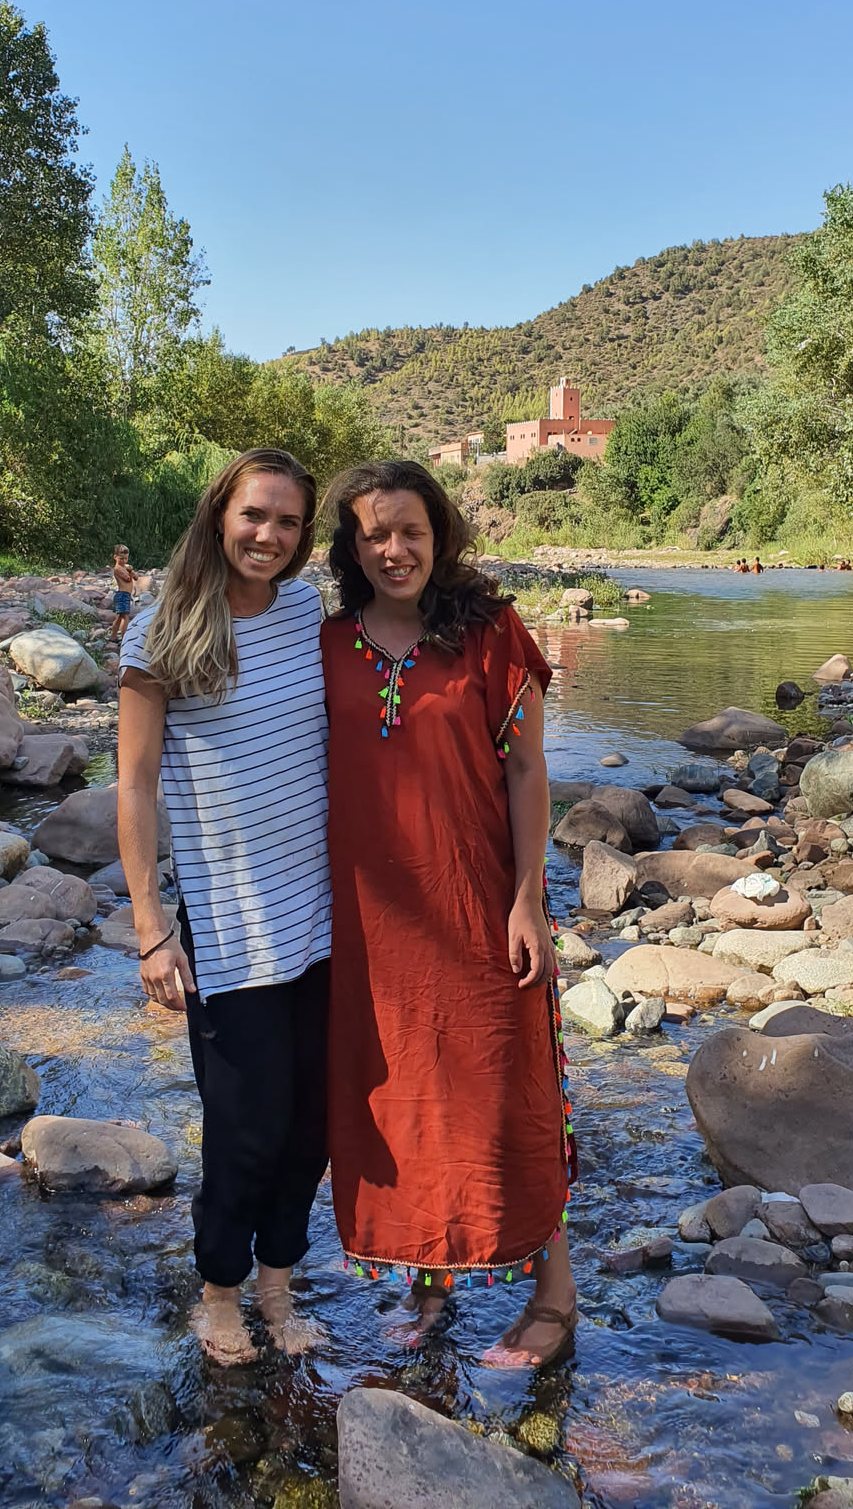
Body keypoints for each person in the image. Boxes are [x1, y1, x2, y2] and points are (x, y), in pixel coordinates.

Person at [321, 459, 578, 1369]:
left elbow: (528, 771)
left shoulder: (491, 633)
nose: (395, 550)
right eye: (375, 534)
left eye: (411, 532)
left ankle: (555, 1296)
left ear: (440, 536)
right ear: (352, 547)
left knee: (508, 1086)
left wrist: (526, 900)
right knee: (403, 1098)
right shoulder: (328, 644)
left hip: (478, 905)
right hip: (372, 923)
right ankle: (429, 1283)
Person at [116, 449, 331, 1366]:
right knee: (246, 1128)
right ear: (219, 515)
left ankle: (278, 1286)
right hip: (231, 920)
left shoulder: (306, 611)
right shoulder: (162, 629)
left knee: (312, 1126)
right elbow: (134, 785)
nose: (268, 536)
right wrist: (150, 927)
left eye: (287, 522)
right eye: (254, 515)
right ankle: (218, 1295)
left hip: (327, 919)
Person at [110, 544, 135, 643]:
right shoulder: (117, 569)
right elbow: (128, 578)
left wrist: (132, 572)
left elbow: (136, 578)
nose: (124, 561)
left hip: (126, 595)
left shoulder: (125, 567)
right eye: (121, 559)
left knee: (119, 616)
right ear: (115, 557)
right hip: (122, 594)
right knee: (125, 617)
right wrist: (130, 572)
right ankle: (125, 638)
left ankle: (113, 636)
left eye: (126, 559)